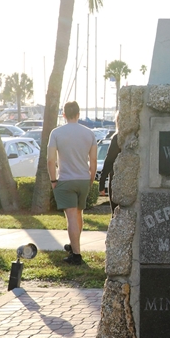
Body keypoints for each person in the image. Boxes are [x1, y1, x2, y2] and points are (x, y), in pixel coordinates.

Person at [47, 101, 97, 265]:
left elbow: (50, 160)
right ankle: (74, 244)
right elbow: (93, 161)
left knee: (71, 217)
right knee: (78, 214)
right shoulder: (89, 133)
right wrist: (91, 179)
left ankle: (76, 255)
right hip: (83, 179)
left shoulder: (56, 133)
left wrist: (53, 180)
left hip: (66, 179)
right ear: (78, 114)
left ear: (64, 115)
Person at [99, 129, 120, 209]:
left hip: (116, 177)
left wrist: (102, 183)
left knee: (115, 211)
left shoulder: (117, 137)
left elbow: (109, 160)